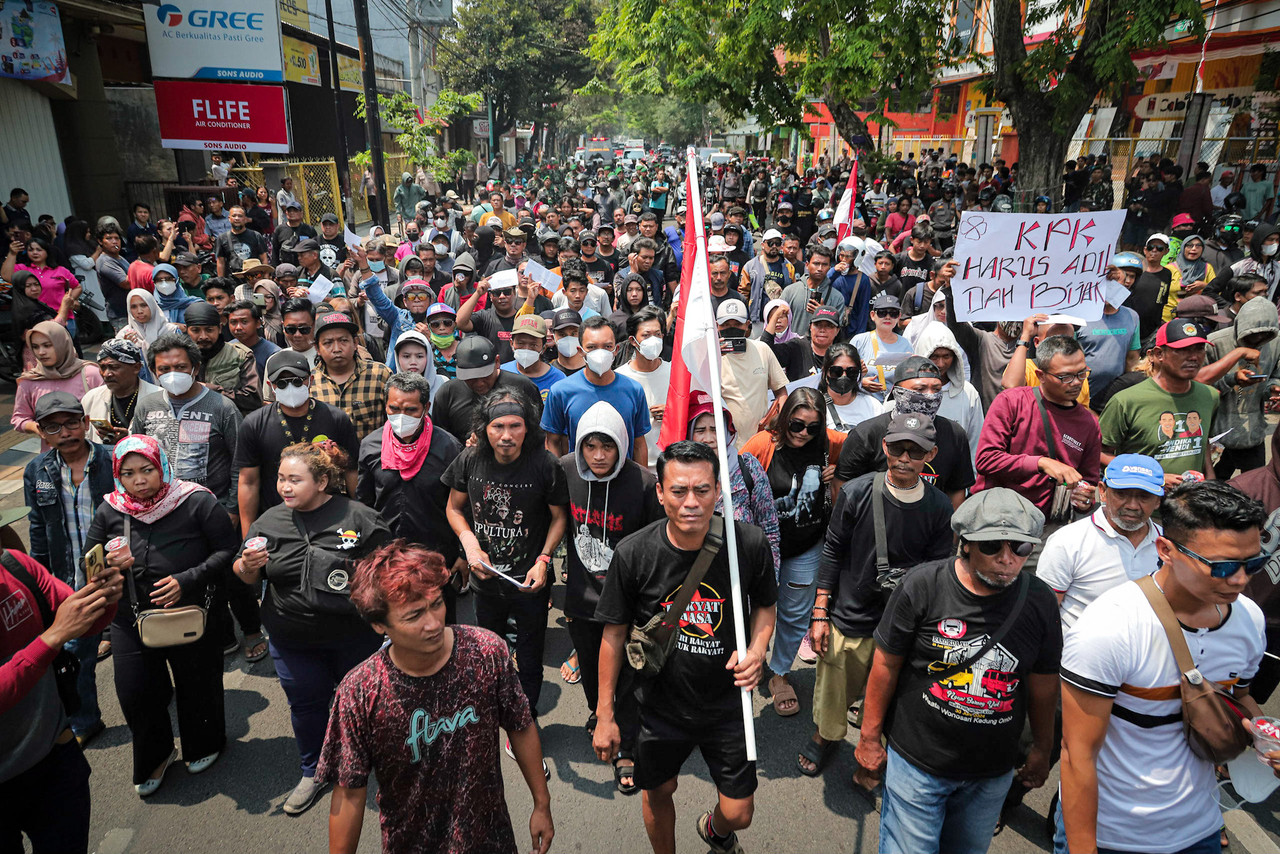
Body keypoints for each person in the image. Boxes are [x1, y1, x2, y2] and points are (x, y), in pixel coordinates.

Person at [1058, 481, 1267, 854]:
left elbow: (1242, 701)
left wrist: (1268, 740)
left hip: (1200, 831)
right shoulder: (1109, 627)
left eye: (1253, 563)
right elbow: (1077, 756)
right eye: (1222, 567)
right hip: (1112, 837)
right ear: (1165, 550)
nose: (1240, 580)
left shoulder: (1250, 620)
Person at [593, 440, 777, 854]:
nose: (691, 502)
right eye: (678, 491)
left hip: (729, 704)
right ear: (660, 493)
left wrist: (758, 649)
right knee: (660, 790)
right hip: (658, 705)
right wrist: (605, 714)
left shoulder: (746, 544)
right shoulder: (634, 553)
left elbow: (766, 605)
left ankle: (715, 830)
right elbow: (613, 635)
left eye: (702, 490)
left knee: (740, 813)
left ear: (719, 491)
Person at [856, 488, 1061, 854]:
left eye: (1020, 547)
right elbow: (885, 664)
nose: (1006, 558)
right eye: (992, 546)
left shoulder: (1039, 602)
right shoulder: (923, 586)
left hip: (990, 774)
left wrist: (1043, 748)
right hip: (918, 765)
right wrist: (869, 737)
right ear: (964, 543)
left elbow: (1044, 687)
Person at [317, 541, 554, 854]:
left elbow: (520, 725)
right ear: (379, 624)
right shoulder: (360, 693)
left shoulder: (486, 652)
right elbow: (349, 792)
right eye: (414, 615)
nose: (433, 624)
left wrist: (542, 802)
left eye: (437, 604)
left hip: (490, 839)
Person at [234, 442, 392, 815]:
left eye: (294, 480)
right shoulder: (268, 522)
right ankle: (314, 771)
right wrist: (248, 565)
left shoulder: (360, 517)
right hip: (292, 640)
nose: (284, 487)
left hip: (354, 639)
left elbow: (388, 572)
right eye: (281, 479)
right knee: (306, 707)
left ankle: (382, 766)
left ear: (322, 481)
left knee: (367, 706)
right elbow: (243, 575)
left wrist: (385, 622)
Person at [798, 412, 954, 776]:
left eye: (914, 452)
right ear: (884, 447)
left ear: (929, 455)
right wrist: (820, 612)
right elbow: (833, 550)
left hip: (904, 623)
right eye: (897, 448)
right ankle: (826, 735)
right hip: (851, 615)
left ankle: (873, 752)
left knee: (894, 696)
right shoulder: (856, 493)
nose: (904, 458)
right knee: (834, 685)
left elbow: (937, 571)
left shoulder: (939, 507)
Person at [83, 435, 236, 796]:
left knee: (197, 684)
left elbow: (227, 549)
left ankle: (204, 743)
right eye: (129, 473)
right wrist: (107, 565)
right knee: (136, 692)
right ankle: (156, 755)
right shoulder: (110, 509)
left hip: (191, 612)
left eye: (147, 470)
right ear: (118, 475)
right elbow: (89, 563)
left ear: (163, 467)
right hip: (130, 620)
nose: (139, 480)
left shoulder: (195, 501)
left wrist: (187, 580)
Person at [443, 389, 568, 733]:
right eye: (498, 426)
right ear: (485, 429)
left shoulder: (546, 464)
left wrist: (544, 559)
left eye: (516, 425)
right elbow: (453, 508)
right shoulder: (469, 460)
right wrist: (469, 544)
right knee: (488, 650)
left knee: (530, 654)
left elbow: (560, 517)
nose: (507, 435)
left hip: (530, 581)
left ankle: (524, 718)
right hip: (485, 579)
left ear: (528, 428)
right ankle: (491, 705)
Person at [559, 401, 662, 793]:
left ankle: (627, 746)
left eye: (608, 446)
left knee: (630, 677)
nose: (599, 456)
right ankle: (600, 715)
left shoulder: (643, 483)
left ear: (622, 443)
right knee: (592, 670)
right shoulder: (565, 470)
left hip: (629, 604)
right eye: (590, 447)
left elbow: (655, 544)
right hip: (583, 600)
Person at [0, 541, 120, 852]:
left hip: (53, 760)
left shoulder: (15, 565)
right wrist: (52, 638)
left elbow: (80, 620)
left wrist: (103, 598)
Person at [736, 388, 841, 718]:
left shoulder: (828, 442)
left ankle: (779, 673)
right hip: (761, 550)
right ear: (784, 420)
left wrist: (838, 475)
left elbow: (863, 449)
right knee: (753, 608)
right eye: (797, 425)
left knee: (795, 615)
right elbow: (738, 484)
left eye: (812, 427)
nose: (804, 434)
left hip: (805, 547)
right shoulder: (762, 445)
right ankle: (753, 659)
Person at [22, 392, 116, 746]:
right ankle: (85, 721)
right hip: (73, 584)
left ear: (85, 423)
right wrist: (40, 583)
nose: (65, 432)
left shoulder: (114, 460)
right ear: (43, 433)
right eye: (53, 426)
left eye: (72, 422)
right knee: (77, 655)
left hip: (122, 575)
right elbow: (38, 529)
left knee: (141, 644)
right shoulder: (37, 471)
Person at [975, 335, 1101, 532]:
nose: (1076, 383)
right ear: (1041, 375)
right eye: (1065, 377)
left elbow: (1088, 480)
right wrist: (1041, 463)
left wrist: (1083, 497)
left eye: (1082, 374)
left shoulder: (1089, 423)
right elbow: (986, 459)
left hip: (1048, 527)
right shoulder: (1011, 402)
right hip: (996, 521)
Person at [235, 349, 360, 529]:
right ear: (271, 386)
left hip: (329, 518)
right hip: (277, 519)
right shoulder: (254, 424)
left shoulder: (336, 418)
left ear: (310, 380)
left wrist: (360, 516)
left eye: (296, 381)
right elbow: (248, 482)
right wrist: (248, 536)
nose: (291, 388)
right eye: (282, 383)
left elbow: (352, 471)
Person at [1037, 454, 1164, 630]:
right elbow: (1044, 614)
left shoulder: (1170, 546)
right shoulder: (1068, 542)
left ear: (1158, 501)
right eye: (1122, 494)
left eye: (1144, 497)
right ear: (1103, 491)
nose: (1133, 505)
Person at [836, 356, 975, 507]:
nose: (930, 395)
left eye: (936, 389)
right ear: (897, 391)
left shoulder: (954, 434)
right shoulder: (867, 434)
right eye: (920, 389)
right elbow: (842, 487)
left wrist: (950, 529)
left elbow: (956, 491)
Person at [1100, 320, 1220, 484]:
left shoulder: (1210, 396)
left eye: (1199, 349)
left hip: (1192, 503)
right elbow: (1099, 453)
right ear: (1158, 354)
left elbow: (1203, 441)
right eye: (1182, 350)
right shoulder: (1126, 401)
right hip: (1142, 502)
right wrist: (1152, 477)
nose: (1193, 357)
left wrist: (1211, 480)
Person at [542, 316, 651, 464]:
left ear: (616, 349)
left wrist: (642, 484)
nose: (600, 353)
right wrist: (559, 479)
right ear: (580, 351)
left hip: (623, 481)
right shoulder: (561, 391)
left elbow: (639, 444)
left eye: (607, 346)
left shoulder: (633, 390)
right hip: (578, 482)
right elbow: (553, 442)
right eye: (592, 347)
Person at [1203, 296, 1280, 479]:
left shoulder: (1276, 344)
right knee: (1215, 487)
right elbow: (1199, 385)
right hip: (1216, 431)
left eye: (1264, 334)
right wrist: (1231, 379)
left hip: (1252, 432)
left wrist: (1274, 388)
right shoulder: (1215, 343)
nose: (1259, 338)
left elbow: (1276, 375)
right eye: (1253, 334)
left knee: (1255, 487)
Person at [11, 322, 105, 448]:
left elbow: (108, 408)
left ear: (62, 344)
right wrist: (39, 428)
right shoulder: (30, 381)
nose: (41, 352)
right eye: (35, 347)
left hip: (93, 450)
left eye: (47, 345)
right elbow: (19, 418)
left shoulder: (89, 374)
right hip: (54, 457)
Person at [432, 336, 541, 442]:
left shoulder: (522, 387)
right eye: (471, 377)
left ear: (497, 362)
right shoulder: (448, 393)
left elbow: (538, 434)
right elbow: (441, 441)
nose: (479, 383)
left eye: (485, 375)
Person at [310, 310, 393, 438]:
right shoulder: (310, 382)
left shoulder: (380, 375)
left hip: (370, 457)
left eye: (343, 340)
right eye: (328, 343)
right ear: (317, 348)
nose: (337, 349)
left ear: (355, 343)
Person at [910, 323, 985, 462]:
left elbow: (976, 441)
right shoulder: (906, 391)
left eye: (946, 356)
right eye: (934, 357)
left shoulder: (968, 393)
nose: (941, 363)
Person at [717, 298, 790, 435]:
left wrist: (778, 419)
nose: (732, 328)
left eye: (737, 324)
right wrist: (715, 359)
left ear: (747, 325)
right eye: (726, 324)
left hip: (760, 440)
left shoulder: (762, 349)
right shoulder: (709, 356)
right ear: (717, 326)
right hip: (725, 442)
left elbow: (781, 392)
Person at [185, 301, 262, 417]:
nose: (203, 336)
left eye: (209, 330)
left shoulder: (240, 355)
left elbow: (253, 399)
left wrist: (211, 390)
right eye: (196, 330)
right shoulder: (180, 358)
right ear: (187, 330)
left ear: (220, 328)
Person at [82, 338, 159, 446]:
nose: (107, 374)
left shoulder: (158, 398)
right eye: (103, 367)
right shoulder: (91, 398)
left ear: (136, 368)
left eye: (114, 367)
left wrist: (130, 438)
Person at [853, 293, 914, 402]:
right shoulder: (859, 341)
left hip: (894, 404)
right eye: (882, 313)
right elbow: (845, 372)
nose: (887, 317)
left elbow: (911, 377)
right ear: (872, 315)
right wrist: (860, 382)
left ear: (899, 316)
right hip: (864, 402)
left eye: (893, 314)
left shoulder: (906, 344)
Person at [501, 313, 565, 402]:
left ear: (543, 348)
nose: (526, 349)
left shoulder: (558, 378)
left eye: (533, 345)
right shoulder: (501, 373)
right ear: (512, 344)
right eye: (521, 343)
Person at [819, 343, 881, 431]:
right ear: (825, 372)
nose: (844, 376)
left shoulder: (873, 406)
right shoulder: (815, 406)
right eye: (836, 371)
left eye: (851, 372)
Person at [214, 207, 269, 278]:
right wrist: (221, 282)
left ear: (245, 219)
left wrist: (266, 279)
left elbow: (264, 258)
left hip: (254, 278)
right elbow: (221, 262)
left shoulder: (256, 235)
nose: (237, 218)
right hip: (233, 280)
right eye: (234, 216)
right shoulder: (222, 238)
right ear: (229, 218)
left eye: (240, 216)